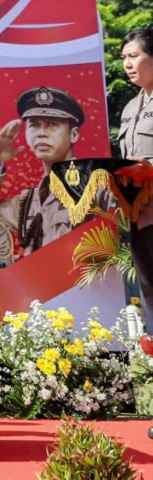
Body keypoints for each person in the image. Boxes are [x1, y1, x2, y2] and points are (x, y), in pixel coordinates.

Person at [0, 86, 98, 253]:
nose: (41, 133)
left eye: (52, 125)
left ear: (74, 135)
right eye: (34, 125)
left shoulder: (97, 186)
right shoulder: (28, 203)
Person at [119, 27, 153, 335]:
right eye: (124, 58)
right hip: (138, 216)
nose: (128, 64)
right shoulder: (130, 108)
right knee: (149, 290)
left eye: (134, 56)